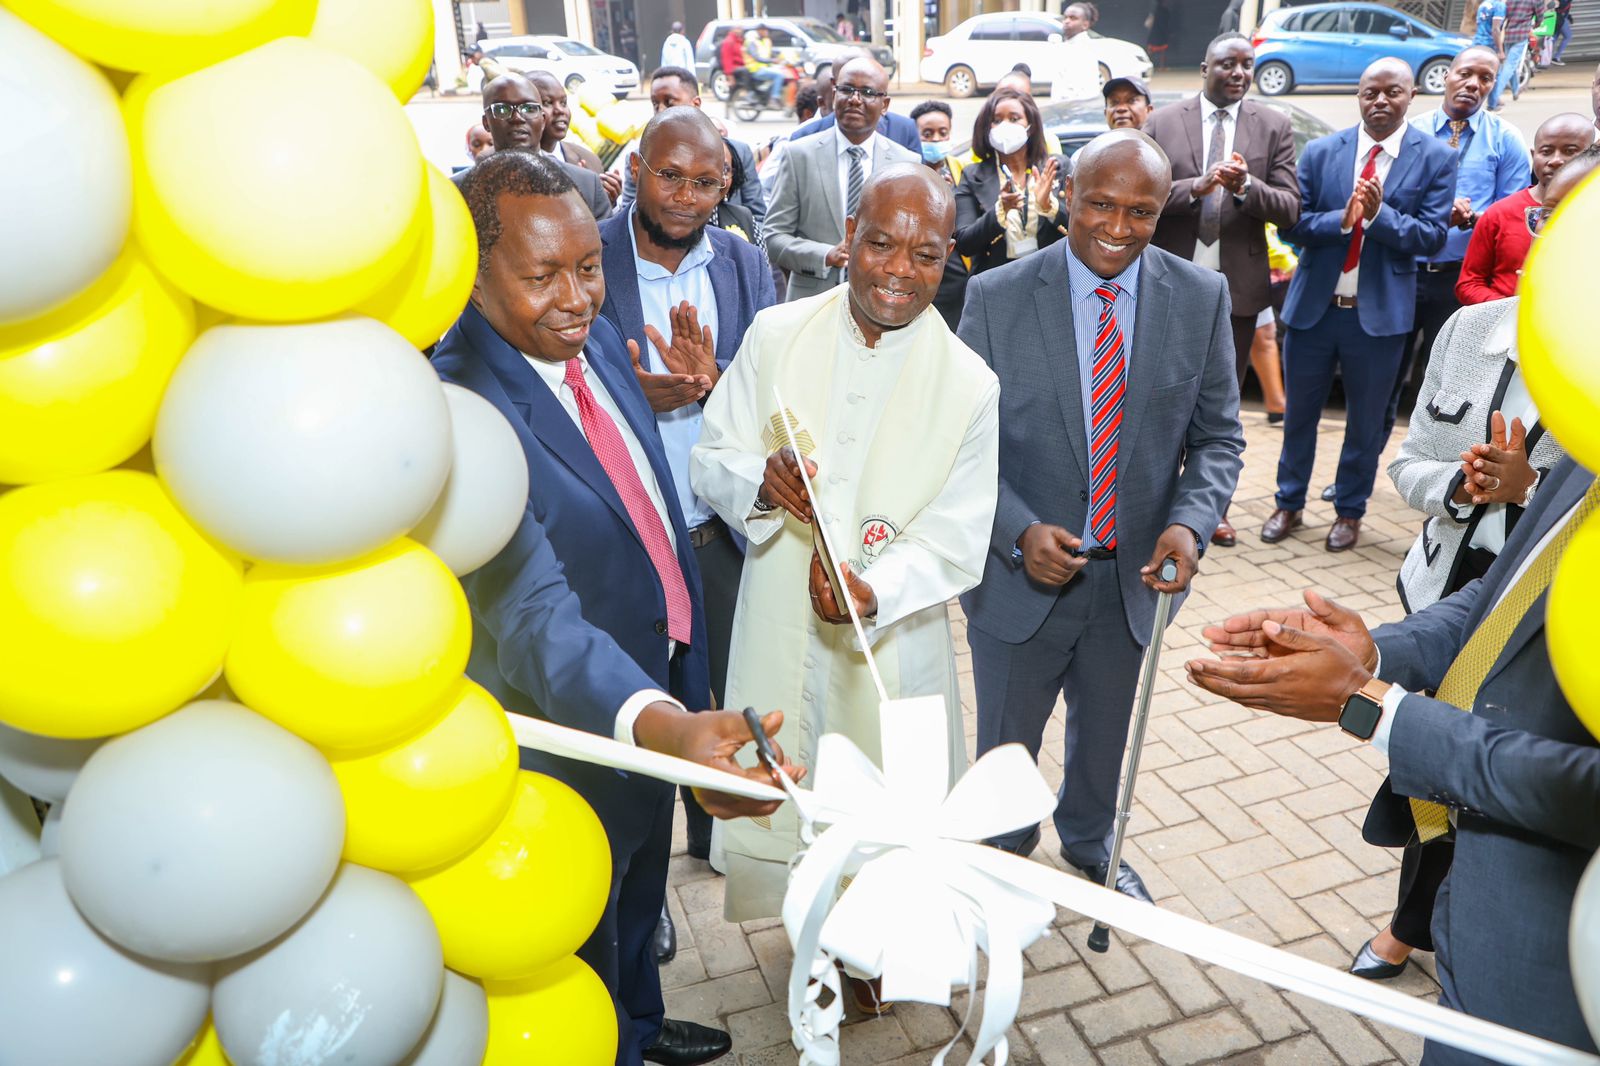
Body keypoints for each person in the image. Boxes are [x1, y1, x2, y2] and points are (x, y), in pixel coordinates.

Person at [437, 150, 802, 1066]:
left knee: (641, 886)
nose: (578, 298)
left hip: (660, 665)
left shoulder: (588, 336)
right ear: (473, 277)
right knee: (580, 917)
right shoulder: (459, 410)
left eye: (589, 266)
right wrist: (657, 723)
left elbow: (607, 451)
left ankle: (638, 1021)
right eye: (542, 276)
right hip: (578, 716)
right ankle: (602, 1041)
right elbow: (530, 612)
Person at [1187, 449, 1600, 1062]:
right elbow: (1513, 588)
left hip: (1559, 949)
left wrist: (1370, 706)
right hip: (1481, 884)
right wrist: (1372, 654)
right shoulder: (1586, 432)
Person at [691, 165, 1000, 936]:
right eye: (881, 245)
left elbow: (959, 529)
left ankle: (874, 941)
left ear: (948, 261)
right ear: (847, 242)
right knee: (786, 777)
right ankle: (807, 926)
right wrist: (761, 486)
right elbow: (712, 455)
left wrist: (877, 589)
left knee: (883, 792)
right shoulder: (775, 334)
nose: (900, 270)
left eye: (925, 255)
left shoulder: (970, 384)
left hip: (890, 638)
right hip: (776, 611)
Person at [957, 130, 1245, 895]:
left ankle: (1090, 844)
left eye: (1141, 212)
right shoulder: (996, 296)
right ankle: (998, 855)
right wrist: (1018, 529)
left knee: (1105, 738)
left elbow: (1218, 437)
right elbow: (960, 446)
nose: (1118, 227)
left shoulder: (1200, 296)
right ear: (1067, 199)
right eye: (1101, 205)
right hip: (1020, 582)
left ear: (1164, 211)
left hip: (1135, 581)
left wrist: (1188, 523)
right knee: (1005, 744)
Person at [1348, 148, 1599, 988]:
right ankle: (1413, 920)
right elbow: (1410, 463)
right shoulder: (1468, 331)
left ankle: (1434, 929)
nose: (1560, 239)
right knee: (1429, 773)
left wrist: (1529, 493)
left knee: (1496, 775)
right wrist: (1460, 488)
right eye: (1547, 215)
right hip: (1450, 591)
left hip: (1557, 630)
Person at [596, 106, 779, 967]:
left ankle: (713, 834)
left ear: (727, 185)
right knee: (641, 717)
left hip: (717, 535)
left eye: (705, 181)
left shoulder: (743, 260)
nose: (685, 195)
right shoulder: (588, 251)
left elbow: (767, 384)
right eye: (668, 175)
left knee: (719, 695)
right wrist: (642, 395)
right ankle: (647, 889)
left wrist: (716, 384)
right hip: (627, 540)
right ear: (636, 168)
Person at [1261, 59, 1457, 554]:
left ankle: (1350, 511)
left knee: (1367, 422)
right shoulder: (1323, 152)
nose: (1381, 101)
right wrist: (1344, 222)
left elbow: (1433, 238)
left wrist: (1379, 215)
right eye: (1371, 92)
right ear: (1359, 95)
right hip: (1313, 310)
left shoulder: (1434, 157)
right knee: (1299, 414)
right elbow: (1292, 225)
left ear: (1412, 94)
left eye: (1393, 92)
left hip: (1380, 318)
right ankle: (1289, 502)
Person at [1144, 32, 1300, 548]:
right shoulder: (1164, 122)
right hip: (1166, 283)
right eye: (1227, 63)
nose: (1238, 72)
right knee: (1158, 396)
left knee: (1219, 406)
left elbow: (1290, 208)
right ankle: (1154, 499)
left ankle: (1211, 509)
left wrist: (1244, 188)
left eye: (1247, 65)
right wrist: (1199, 187)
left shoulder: (1273, 125)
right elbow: (1142, 197)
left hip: (1236, 292)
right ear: (1205, 66)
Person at [1380, 47, 1529, 447]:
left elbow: (1511, 212)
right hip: (1403, 272)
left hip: (1460, 282)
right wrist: (1434, 214)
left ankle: (1426, 463)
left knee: (1444, 383)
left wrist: (1472, 216)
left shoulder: (1506, 140)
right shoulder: (1412, 131)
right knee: (1384, 376)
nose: (1472, 85)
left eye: (1485, 78)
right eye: (1466, 74)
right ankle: (1361, 477)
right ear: (1447, 75)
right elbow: (1389, 203)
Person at [764, 58, 920, 302]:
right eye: (847, 90)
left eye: (867, 92)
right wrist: (825, 255)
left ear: (885, 104)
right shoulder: (798, 155)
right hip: (812, 303)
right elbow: (773, 236)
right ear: (833, 93)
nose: (855, 99)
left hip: (882, 302)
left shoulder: (907, 163)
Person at [1456, 112, 1595, 305]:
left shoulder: (1592, 214)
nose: (1555, 160)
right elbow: (1469, 283)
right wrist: (1512, 310)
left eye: (1570, 151)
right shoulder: (1499, 213)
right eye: (1546, 151)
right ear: (1533, 154)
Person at [618, 68, 767, 233]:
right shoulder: (643, 155)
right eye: (669, 175)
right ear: (636, 167)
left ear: (696, 104)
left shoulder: (737, 152)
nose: (660, 110)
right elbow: (631, 216)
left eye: (669, 102)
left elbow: (758, 216)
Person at [463, 74, 614, 222]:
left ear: (542, 120)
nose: (517, 118)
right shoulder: (458, 192)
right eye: (502, 109)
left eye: (528, 108)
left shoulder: (587, 185)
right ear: (486, 122)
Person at [954, 90, 1069, 277]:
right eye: (997, 120)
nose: (1005, 126)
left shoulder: (1056, 167)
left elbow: (1081, 228)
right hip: (995, 281)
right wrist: (1000, 211)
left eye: (1014, 119)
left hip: (1051, 277)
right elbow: (965, 243)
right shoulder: (972, 175)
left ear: (1030, 126)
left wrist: (1050, 207)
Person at [910, 100, 970, 331]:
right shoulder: (907, 170)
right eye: (927, 133)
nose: (936, 139)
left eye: (942, 133)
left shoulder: (960, 169)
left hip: (955, 272)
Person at [1489, 0, 1538, 111]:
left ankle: (1515, 91)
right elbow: (1540, 15)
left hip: (1508, 34)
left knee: (1511, 65)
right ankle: (1495, 97)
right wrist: (1536, 24)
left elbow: (1504, 15)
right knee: (1510, 66)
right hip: (1521, 36)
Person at [1048, 3, 1100, 102]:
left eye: (1073, 18)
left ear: (1085, 24)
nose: (1067, 21)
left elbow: (1080, 91)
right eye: (1065, 17)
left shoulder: (1084, 50)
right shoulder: (1068, 46)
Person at [743, 25, 788, 108]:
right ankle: (774, 98)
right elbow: (757, 57)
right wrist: (772, 60)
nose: (767, 32)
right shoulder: (751, 42)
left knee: (784, 71)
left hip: (766, 67)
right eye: (765, 30)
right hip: (755, 69)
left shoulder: (766, 41)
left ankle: (769, 94)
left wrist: (783, 57)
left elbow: (771, 53)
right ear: (759, 31)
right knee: (779, 75)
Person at [1147, 0, 1172, 71]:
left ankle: (1161, 67)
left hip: (1157, 33)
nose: (1167, 2)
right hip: (1158, 33)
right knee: (1152, 50)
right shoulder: (1161, 11)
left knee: (1161, 51)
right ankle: (1153, 67)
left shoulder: (1158, 10)